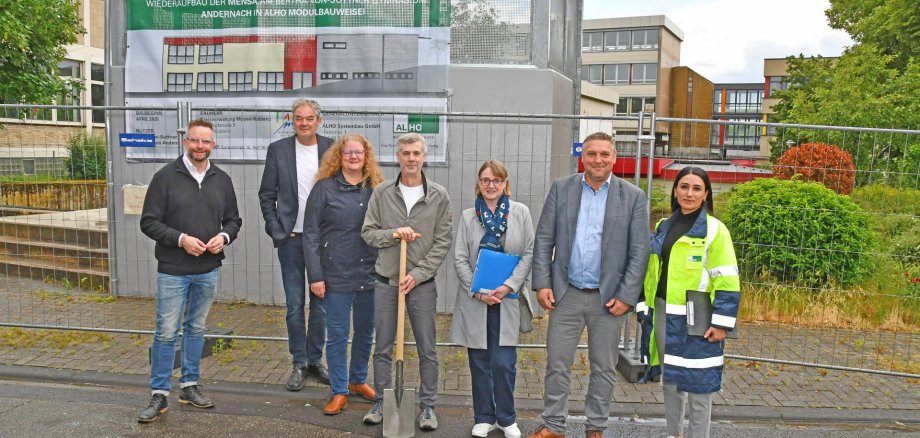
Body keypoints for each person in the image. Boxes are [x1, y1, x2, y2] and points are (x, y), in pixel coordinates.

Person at [528, 132, 650, 438]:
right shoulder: (562, 188)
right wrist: (542, 283)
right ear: (583, 157)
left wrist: (627, 295)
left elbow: (639, 252)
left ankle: (596, 427)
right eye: (592, 153)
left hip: (608, 299)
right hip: (565, 294)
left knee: (604, 369)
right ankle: (554, 425)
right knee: (557, 364)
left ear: (614, 158)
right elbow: (544, 239)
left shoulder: (632, 196)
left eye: (604, 154)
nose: (598, 159)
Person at [138, 119, 242, 423]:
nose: (200, 146)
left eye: (206, 142)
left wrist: (223, 238)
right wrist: (181, 240)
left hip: (208, 268)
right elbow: (148, 222)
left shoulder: (221, 179)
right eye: (195, 141)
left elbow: (234, 221)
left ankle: (189, 385)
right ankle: (159, 393)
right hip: (173, 269)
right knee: (167, 331)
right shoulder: (165, 177)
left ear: (214, 144)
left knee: (196, 328)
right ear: (186, 142)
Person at [637, 167, 740, 438]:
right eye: (684, 186)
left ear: (706, 193)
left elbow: (727, 279)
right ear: (675, 190)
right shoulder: (662, 226)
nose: (689, 193)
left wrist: (721, 323)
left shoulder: (716, 231)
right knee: (670, 381)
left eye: (696, 188)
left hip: (698, 321)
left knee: (698, 385)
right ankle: (674, 434)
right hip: (662, 313)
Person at [360, 133, 453, 431]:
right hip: (387, 281)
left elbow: (442, 241)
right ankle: (381, 401)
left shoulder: (438, 195)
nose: (411, 159)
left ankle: (427, 407)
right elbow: (368, 233)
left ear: (424, 156)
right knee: (383, 346)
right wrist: (393, 234)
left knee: (428, 347)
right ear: (397, 156)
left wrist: (418, 274)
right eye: (405, 153)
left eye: (416, 153)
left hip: (422, 285)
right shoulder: (383, 193)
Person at [450, 160, 535, 438]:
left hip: (507, 300)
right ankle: (484, 417)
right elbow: (460, 259)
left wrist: (509, 285)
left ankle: (506, 418)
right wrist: (477, 291)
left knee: (504, 362)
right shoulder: (467, 217)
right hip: (477, 301)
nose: (491, 185)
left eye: (496, 180)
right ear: (479, 182)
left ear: (505, 183)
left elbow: (528, 254)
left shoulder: (520, 212)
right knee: (479, 362)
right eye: (485, 180)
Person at [303, 134, 384, 415]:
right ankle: (338, 390)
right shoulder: (324, 189)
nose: (353, 157)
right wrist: (315, 275)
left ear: (366, 156)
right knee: (337, 334)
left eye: (358, 153)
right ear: (339, 156)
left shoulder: (376, 188)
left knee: (365, 332)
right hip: (334, 274)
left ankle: (357, 381)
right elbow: (310, 234)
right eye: (348, 152)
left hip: (370, 272)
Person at [258, 98, 332, 390]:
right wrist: (277, 230)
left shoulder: (331, 149)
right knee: (293, 305)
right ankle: (299, 363)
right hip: (290, 240)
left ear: (319, 121)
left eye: (309, 118)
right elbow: (266, 195)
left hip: (322, 241)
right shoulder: (278, 150)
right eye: (299, 118)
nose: (304, 122)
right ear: (292, 120)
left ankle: (315, 361)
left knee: (321, 305)